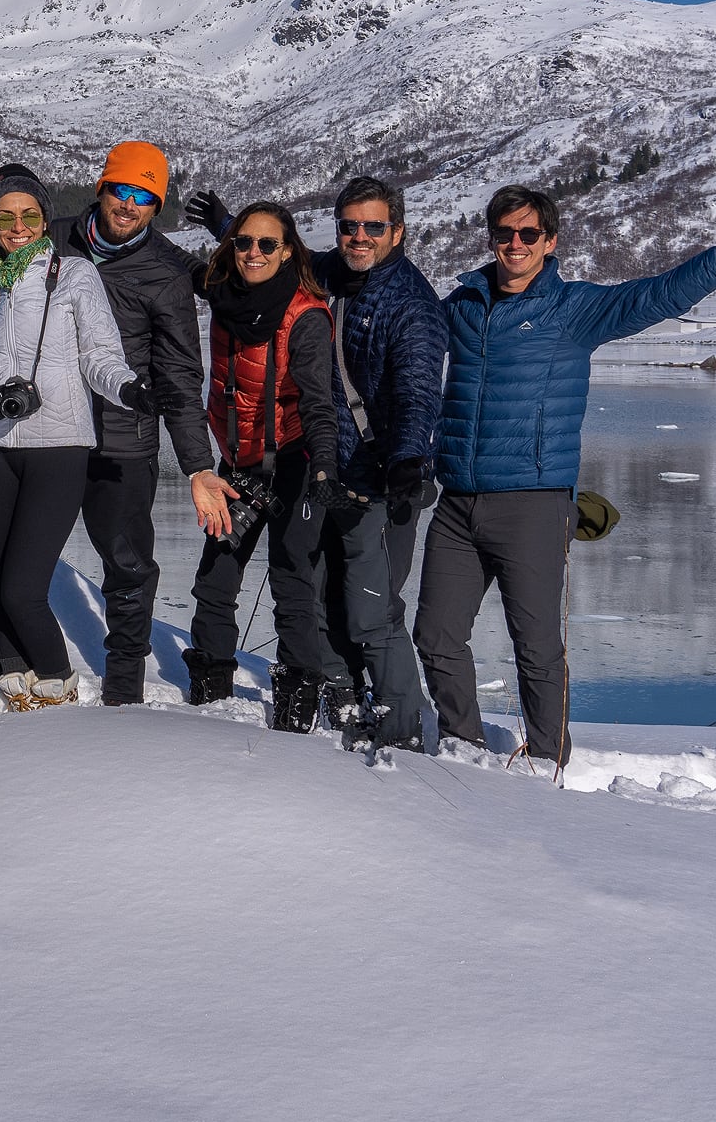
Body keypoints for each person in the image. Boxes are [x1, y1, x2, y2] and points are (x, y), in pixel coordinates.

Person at [417, 184, 716, 765]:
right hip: (457, 503)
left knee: (538, 647)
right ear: (492, 239)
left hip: (533, 500)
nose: (515, 244)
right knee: (436, 637)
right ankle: (462, 747)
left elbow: (662, 295)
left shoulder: (575, 309)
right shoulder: (463, 307)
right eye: (505, 233)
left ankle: (547, 760)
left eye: (528, 234)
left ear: (549, 242)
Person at [0, 164, 149, 709]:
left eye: (28, 214)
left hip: (59, 444)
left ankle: (56, 679)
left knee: (22, 588)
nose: (17, 225)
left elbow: (99, 355)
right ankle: (14, 678)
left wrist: (127, 388)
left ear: (44, 218)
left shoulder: (75, 277)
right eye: (5, 215)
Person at [51, 144, 221, 706]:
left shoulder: (168, 273)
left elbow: (178, 376)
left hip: (122, 439)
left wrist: (197, 464)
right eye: (121, 190)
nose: (129, 205)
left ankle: (124, 680)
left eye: (144, 196)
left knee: (126, 560)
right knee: (11, 551)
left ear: (156, 206)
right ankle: (14, 666)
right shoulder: (52, 238)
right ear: (101, 188)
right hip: (46, 431)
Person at [180, 200, 349, 728]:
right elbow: (153, 253)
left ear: (288, 252)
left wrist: (324, 467)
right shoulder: (220, 289)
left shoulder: (305, 317)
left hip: (297, 461)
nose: (254, 252)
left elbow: (321, 404)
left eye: (268, 245)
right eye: (244, 242)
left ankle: (296, 710)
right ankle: (210, 698)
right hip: (239, 465)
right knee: (216, 577)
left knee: (291, 576)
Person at [317, 177, 447, 752]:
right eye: (350, 226)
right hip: (334, 472)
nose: (360, 236)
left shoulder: (411, 305)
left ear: (398, 232)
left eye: (373, 227)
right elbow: (282, 265)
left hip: (383, 479)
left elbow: (418, 390)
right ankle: (345, 698)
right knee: (326, 595)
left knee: (374, 609)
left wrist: (408, 461)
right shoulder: (342, 276)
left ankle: (400, 731)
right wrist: (231, 231)